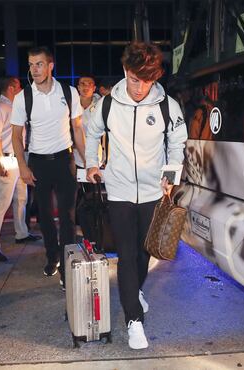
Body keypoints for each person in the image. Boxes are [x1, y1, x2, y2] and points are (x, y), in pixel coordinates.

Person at [86, 42, 187, 349]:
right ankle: (134, 321)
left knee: (145, 252)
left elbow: (177, 144)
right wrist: (92, 163)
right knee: (127, 255)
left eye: (148, 81)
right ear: (125, 71)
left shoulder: (167, 106)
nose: (141, 87)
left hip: (154, 192)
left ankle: (134, 292)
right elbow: (92, 133)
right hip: (119, 189)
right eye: (134, 79)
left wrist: (170, 180)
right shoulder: (107, 104)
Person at [11, 46, 86, 286]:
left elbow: (77, 128)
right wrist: (22, 165)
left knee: (67, 217)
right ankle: (52, 256)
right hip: (38, 163)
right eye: (31, 65)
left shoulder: (69, 91)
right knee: (44, 217)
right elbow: (16, 135)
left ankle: (66, 267)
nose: (34, 69)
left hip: (65, 161)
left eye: (39, 64)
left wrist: (89, 161)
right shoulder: (23, 97)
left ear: (51, 65)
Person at [0, 76, 41, 262]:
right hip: (6, 159)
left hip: (18, 159)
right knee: (1, 203)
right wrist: (0, 161)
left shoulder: (14, 107)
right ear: (11, 87)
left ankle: (21, 233)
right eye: (18, 86)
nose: (21, 88)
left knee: (21, 198)